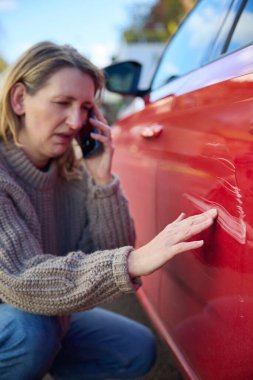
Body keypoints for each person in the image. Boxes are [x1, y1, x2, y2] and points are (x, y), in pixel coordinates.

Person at [0, 41, 217, 380]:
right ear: (19, 100)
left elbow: (107, 251)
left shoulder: (71, 172)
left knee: (133, 348)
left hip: (36, 314)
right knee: (32, 333)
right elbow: (20, 278)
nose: (75, 122)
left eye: (86, 108)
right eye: (62, 103)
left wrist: (102, 180)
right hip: (17, 316)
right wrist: (132, 261)